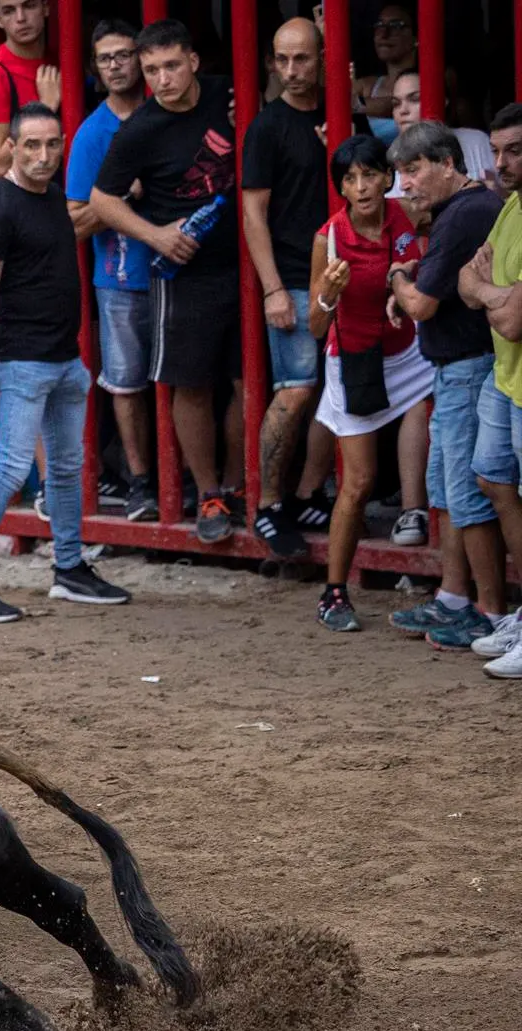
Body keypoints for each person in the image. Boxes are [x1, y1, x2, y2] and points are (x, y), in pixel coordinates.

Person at [0, 103, 128, 624]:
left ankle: (69, 568)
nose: (44, 156)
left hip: (64, 359)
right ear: (11, 149)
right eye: (33, 146)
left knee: (65, 468)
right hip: (20, 363)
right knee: (10, 470)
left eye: (53, 144)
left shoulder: (49, 198)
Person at [91, 20, 244, 544]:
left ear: (194, 61)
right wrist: (156, 236)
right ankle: (209, 494)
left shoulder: (230, 92)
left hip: (246, 265)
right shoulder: (140, 128)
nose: (161, 78)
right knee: (190, 384)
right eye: (151, 69)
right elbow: (101, 200)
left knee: (249, 381)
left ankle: (240, 485)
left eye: (171, 65)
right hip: (184, 275)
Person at [384, 121, 510, 651]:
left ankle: (488, 611)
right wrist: (415, 272)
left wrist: (397, 275)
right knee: (451, 491)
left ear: (447, 164)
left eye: (412, 171)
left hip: (467, 369)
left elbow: (420, 305)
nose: (404, 185)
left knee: (467, 493)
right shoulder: (464, 211)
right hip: (458, 369)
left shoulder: (463, 214)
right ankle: (456, 598)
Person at [306, 135, 431, 631]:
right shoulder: (329, 238)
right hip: (355, 359)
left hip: (408, 354)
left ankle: (417, 518)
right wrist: (328, 297)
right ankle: (334, 592)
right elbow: (317, 327)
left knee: (435, 408)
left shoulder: (405, 214)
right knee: (356, 482)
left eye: (369, 175)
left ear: (387, 177)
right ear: (340, 186)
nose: (361, 187)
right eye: (350, 179)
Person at [243, 17, 343, 559]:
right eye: (281, 60)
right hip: (295, 277)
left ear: (324, 57)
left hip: (348, 273)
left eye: (301, 59)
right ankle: (268, 505)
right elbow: (252, 214)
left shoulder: (339, 115)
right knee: (297, 388)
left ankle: (308, 494)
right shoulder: (268, 126)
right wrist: (272, 288)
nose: (290, 71)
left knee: (340, 392)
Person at [64, 18, 155, 521]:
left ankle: (183, 480)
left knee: (185, 384)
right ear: (95, 69)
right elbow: (74, 221)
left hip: (180, 273)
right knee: (125, 383)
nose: (117, 66)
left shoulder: (164, 113)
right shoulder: (93, 132)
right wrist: (123, 196)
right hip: (120, 279)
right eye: (106, 59)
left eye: (124, 55)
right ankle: (142, 483)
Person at [457, 102, 522, 677]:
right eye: (496, 150)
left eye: (515, 150)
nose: (500, 162)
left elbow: (511, 321)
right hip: (507, 379)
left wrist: (486, 289)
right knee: (493, 481)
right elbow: (464, 279)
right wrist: (488, 288)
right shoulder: (511, 207)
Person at [0, 0, 60, 185]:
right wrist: (46, 109)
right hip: (17, 208)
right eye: (9, 11)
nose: (21, 18)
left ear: (46, 7)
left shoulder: (60, 63)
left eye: (29, 6)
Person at [387, 72, 497, 190]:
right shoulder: (391, 156)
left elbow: (503, 191)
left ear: (442, 100)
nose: (403, 110)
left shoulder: (476, 141)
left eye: (415, 99)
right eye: (396, 104)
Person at [356, 3, 415, 144]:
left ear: (416, 36)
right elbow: (327, 99)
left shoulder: (437, 77)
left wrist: (353, 105)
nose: (384, 34)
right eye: (379, 25)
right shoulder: (367, 85)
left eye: (396, 25)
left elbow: (393, 104)